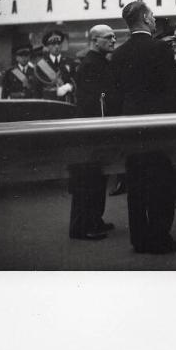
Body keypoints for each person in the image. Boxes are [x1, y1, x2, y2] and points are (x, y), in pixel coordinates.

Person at [110, 1, 176, 254]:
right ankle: (159, 239)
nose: (155, 20)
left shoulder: (119, 54)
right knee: (160, 184)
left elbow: (114, 96)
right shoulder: (160, 49)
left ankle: (139, 239)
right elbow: (174, 90)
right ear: (145, 18)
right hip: (156, 129)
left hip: (131, 129)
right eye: (153, 16)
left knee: (136, 185)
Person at [68, 25, 117, 240]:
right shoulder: (91, 65)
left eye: (114, 36)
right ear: (95, 40)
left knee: (96, 177)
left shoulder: (97, 62)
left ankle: (94, 219)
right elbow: (93, 102)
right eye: (108, 37)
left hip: (94, 127)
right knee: (88, 179)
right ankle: (83, 226)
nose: (113, 40)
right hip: (91, 129)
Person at [34, 30, 76, 103]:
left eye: (59, 43)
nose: (57, 46)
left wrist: (69, 86)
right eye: (53, 44)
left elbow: (76, 81)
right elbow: (37, 89)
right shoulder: (40, 65)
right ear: (47, 46)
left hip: (67, 102)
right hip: (48, 103)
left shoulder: (70, 62)